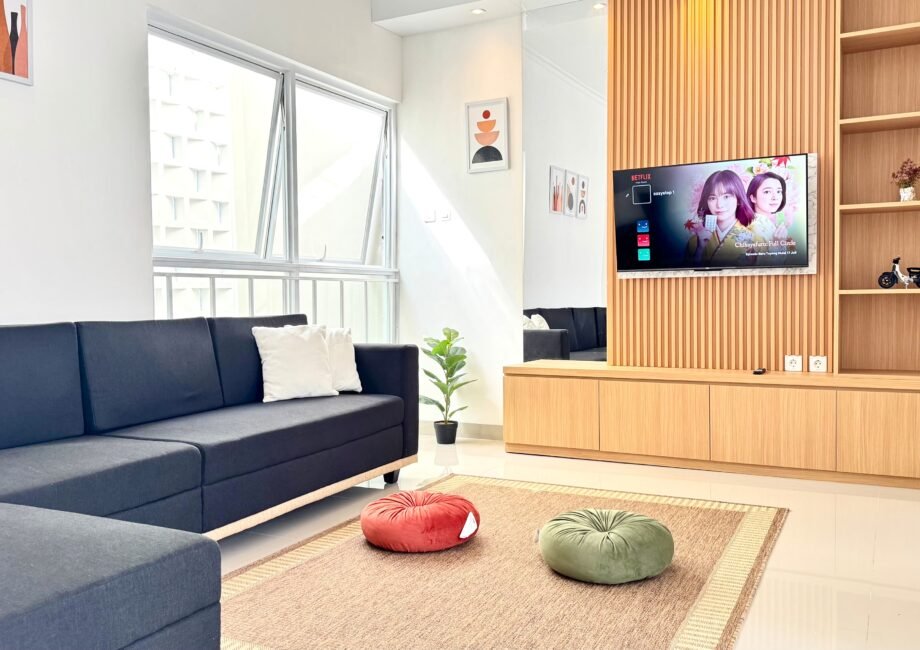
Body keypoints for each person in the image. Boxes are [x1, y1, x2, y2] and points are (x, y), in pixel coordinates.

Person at [686, 170, 762, 266]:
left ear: (738, 199)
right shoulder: (695, 242)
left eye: (726, 197)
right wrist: (700, 250)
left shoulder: (756, 241)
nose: (719, 205)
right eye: (712, 198)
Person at [747, 171, 789, 244]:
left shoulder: (767, 223)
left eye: (778, 192)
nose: (775, 197)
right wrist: (778, 245)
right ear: (753, 198)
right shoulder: (754, 227)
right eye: (767, 192)